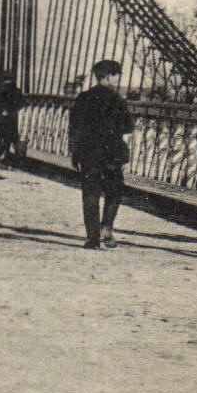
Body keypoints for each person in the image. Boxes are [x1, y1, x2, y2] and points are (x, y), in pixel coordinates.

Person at [68, 59, 133, 250]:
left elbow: (75, 127)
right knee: (114, 191)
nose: (117, 80)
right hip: (112, 153)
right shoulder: (117, 100)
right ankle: (107, 226)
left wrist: (75, 152)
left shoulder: (83, 98)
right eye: (115, 76)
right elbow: (128, 127)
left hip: (88, 153)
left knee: (90, 195)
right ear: (108, 76)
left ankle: (93, 239)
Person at [0, 71, 26, 165]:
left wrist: (2, 109)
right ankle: (5, 152)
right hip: (11, 116)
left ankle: (3, 152)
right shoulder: (16, 90)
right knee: (8, 135)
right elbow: (21, 103)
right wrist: (12, 110)